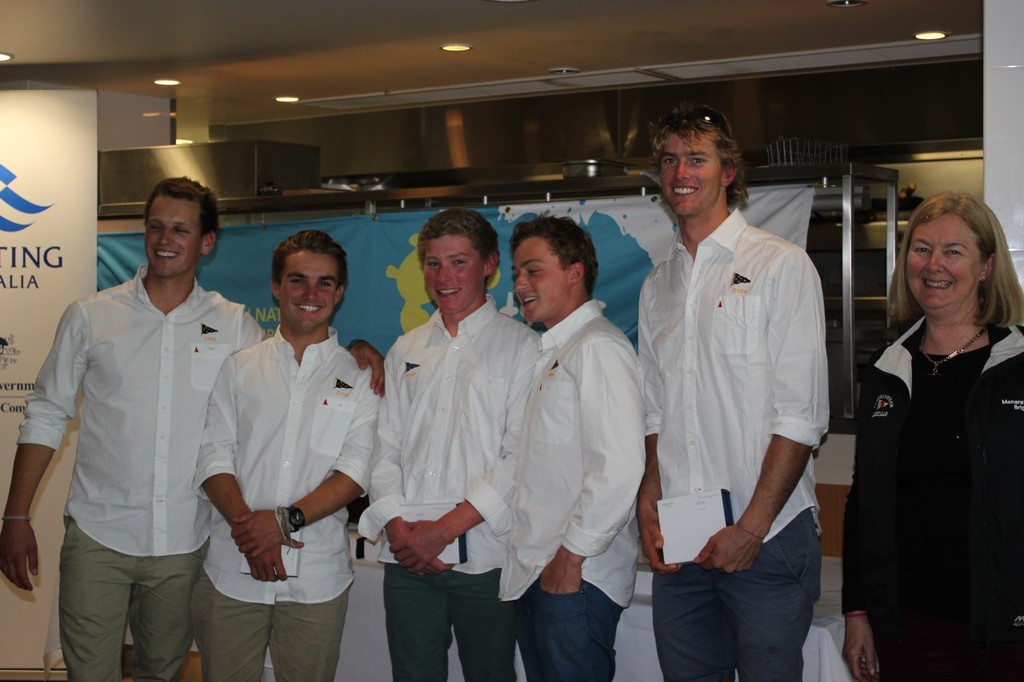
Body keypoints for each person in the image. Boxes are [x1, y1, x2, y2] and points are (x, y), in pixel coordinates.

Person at [0, 177, 383, 681]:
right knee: (88, 674)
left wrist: (355, 349)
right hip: (100, 531)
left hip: (184, 541)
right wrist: (16, 515)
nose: (165, 239)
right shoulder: (91, 317)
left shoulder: (233, 325)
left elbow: (295, 354)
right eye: (156, 226)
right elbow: (46, 413)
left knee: (163, 673)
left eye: (181, 229)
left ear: (205, 242)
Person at [635, 103, 830, 682]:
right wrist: (649, 495)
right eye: (669, 160)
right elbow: (655, 407)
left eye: (697, 158)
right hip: (683, 535)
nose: (680, 172)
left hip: (766, 538)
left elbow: (801, 417)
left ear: (729, 172)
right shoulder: (657, 284)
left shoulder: (780, 265)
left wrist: (751, 528)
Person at [841, 191, 1024, 682]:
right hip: (912, 627)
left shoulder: (1018, 364)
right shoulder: (887, 368)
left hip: (1012, 629)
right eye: (921, 249)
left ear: (986, 265)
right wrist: (857, 612)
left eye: (953, 251)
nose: (933, 265)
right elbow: (866, 499)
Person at [357, 207, 539, 682]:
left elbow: (519, 457)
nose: (444, 276)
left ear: (489, 265)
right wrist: (398, 529)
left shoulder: (524, 348)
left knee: (491, 674)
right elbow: (385, 448)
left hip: (485, 556)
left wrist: (443, 530)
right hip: (408, 557)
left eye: (458, 262)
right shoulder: (406, 349)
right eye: (433, 264)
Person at [191, 229, 379, 681]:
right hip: (232, 572)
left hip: (316, 580)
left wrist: (280, 523)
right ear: (276, 287)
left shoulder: (360, 376)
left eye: (325, 282)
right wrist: (251, 531)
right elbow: (213, 455)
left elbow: (355, 471)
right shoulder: (238, 367)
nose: (310, 294)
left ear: (340, 291)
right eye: (297, 280)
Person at [499, 215, 645, 682]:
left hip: (575, 577)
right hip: (542, 572)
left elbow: (619, 468)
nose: (520, 283)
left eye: (534, 270)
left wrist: (571, 558)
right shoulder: (557, 349)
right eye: (517, 272)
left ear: (575, 272)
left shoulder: (597, 347)